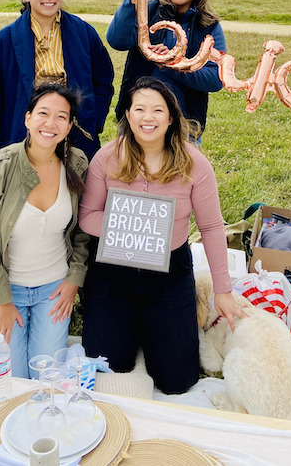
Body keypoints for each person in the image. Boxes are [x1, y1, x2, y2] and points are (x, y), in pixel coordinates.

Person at [79, 77, 242, 394]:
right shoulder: (107, 157)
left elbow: (210, 227)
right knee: (112, 366)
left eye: (157, 109)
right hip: (114, 271)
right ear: (127, 114)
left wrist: (223, 289)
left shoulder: (195, 163)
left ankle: (152, 328)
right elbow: (87, 216)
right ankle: (134, 327)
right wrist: (136, 230)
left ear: (171, 117)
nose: (147, 117)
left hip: (170, 272)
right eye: (139, 109)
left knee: (176, 381)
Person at [0, 83, 89, 377]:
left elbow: (82, 233)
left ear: (70, 124)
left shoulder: (77, 163)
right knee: (13, 380)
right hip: (8, 291)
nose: (51, 124)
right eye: (43, 114)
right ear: (27, 118)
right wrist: (3, 300)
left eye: (61, 117)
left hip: (54, 289)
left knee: (46, 377)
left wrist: (75, 278)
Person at [0, 0, 114, 165]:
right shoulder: (3, 41)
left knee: (76, 191)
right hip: (23, 131)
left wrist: (93, 120)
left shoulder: (85, 33)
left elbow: (103, 79)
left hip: (74, 130)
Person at [106, 0, 225, 138]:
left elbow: (216, 78)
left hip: (185, 126)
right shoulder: (147, 12)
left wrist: (174, 65)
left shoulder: (208, 25)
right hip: (136, 121)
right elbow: (117, 40)